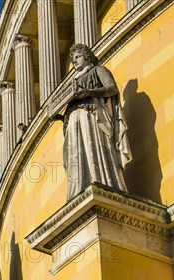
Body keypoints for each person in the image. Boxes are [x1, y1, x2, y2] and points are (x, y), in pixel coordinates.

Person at [56, 43, 132, 200]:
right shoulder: (74, 82)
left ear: (87, 56)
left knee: (93, 148)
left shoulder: (98, 70)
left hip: (92, 115)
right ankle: (79, 191)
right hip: (73, 121)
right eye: (72, 59)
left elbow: (112, 88)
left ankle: (104, 181)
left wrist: (89, 92)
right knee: (76, 154)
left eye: (77, 57)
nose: (74, 61)